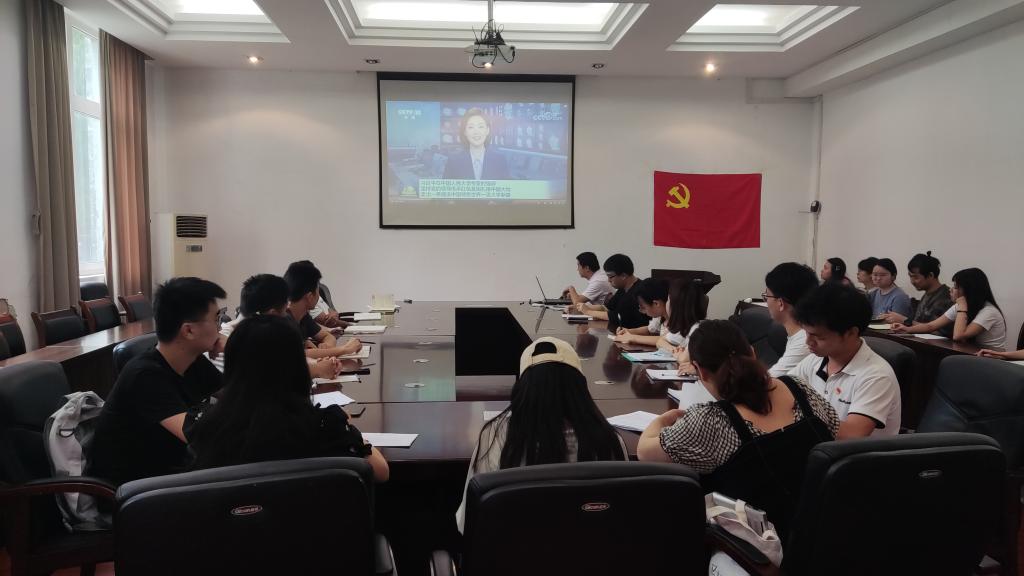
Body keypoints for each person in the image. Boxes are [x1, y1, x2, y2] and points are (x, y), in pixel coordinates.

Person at [637, 320, 837, 537]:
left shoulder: (711, 421)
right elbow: (835, 432)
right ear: (752, 352)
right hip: (830, 531)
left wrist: (662, 421)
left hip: (760, 547)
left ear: (701, 372)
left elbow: (645, 452)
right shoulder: (799, 387)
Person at [455, 337, 627, 532]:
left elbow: (469, 522)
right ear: (580, 387)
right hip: (593, 549)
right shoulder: (609, 440)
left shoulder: (497, 435)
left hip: (514, 549)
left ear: (523, 387)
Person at [189, 315, 389, 481]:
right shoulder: (324, 426)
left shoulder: (206, 428)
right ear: (298, 367)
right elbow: (381, 471)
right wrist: (348, 425)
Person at [87, 278, 227, 486]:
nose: (220, 327)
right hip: (134, 491)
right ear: (189, 331)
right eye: (217, 319)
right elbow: (199, 436)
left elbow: (237, 395)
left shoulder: (192, 360)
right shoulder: (144, 376)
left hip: (169, 475)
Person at [789, 283, 901, 438]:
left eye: (818, 336)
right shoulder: (814, 361)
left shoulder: (876, 376)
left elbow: (852, 434)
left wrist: (799, 417)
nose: (808, 342)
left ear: (851, 333)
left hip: (854, 453)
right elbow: (782, 390)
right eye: (806, 333)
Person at [217, 274, 341, 380]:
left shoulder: (256, 333)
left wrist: (317, 363)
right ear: (272, 315)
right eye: (284, 312)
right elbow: (268, 375)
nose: (287, 317)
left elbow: (288, 359)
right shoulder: (223, 344)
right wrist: (317, 368)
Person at [893, 268, 1007, 349]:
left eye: (956, 287)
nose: (951, 290)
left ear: (969, 290)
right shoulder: (961, 305)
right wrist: (906, 329)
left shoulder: (989, 312)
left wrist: (961, 307)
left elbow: (958, 336)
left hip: (992, 358)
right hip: (971, 353)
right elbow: (930, 326)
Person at [284, 260, 361, 358]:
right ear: (310, 297)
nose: (319, 294)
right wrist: (345, 349)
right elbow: (299, 355)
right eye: (317, 289)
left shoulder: (303, 316)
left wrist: (327, 347)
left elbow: (328, 336)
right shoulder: (282, 320)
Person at [763, 262, 819, 377]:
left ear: (780, 303)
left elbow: (767, 383)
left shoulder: (806, 342)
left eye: (767, 296)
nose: (766, 301)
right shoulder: (801, 333)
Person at [880, 252, 952, 335]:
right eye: (910, 276)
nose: (912, 281)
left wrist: (904, 320)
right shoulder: (927, 294)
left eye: (915, 277)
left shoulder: (947, 297)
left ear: (930, 275)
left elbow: (940, 332)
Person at [575, 254, 649, 330]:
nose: (608, 280)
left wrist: (588, 311)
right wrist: (581, 307)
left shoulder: (639, 291)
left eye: (610, 277)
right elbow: (607, 308)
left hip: (635, 333)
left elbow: (617, 316)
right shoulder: (623, 289)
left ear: (623, 276)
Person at [442, 108, 510, 180]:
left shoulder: (500, 160)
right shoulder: (453, 161)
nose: (476, 132)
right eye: (471, 127)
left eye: (481, 126)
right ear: (465, 132)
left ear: (487, 130)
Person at [613, 277, 669, 347]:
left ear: (656, 304)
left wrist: (632, 338)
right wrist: (629, 331)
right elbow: (650, 329)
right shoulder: (660, 316)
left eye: (643, 307)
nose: (641, 311)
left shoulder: (677, 319)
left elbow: (667, 340)